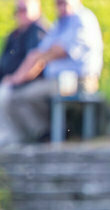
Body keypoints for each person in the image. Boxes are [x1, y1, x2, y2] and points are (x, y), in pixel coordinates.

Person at [0, 0, 102, 146]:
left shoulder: (82, 19)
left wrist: (42, 57)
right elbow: (36, 54)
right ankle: (42, 134)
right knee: (15, 95)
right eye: (58, 3)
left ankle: (45, 134)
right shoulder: (60, 23)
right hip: (57, 81)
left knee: (19, 96)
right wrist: (17, 78)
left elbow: (60, 50)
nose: (61, 6)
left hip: (80, 80)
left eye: (64, 2)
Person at [0, 1, 48, 86]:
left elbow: (37, 64)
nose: (20, 13)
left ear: (37, 10)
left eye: (24, 9)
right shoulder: (15, 34)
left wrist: (14, 80)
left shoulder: (37, 32)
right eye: (17, 10)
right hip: (6, 82)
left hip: (25, 85)